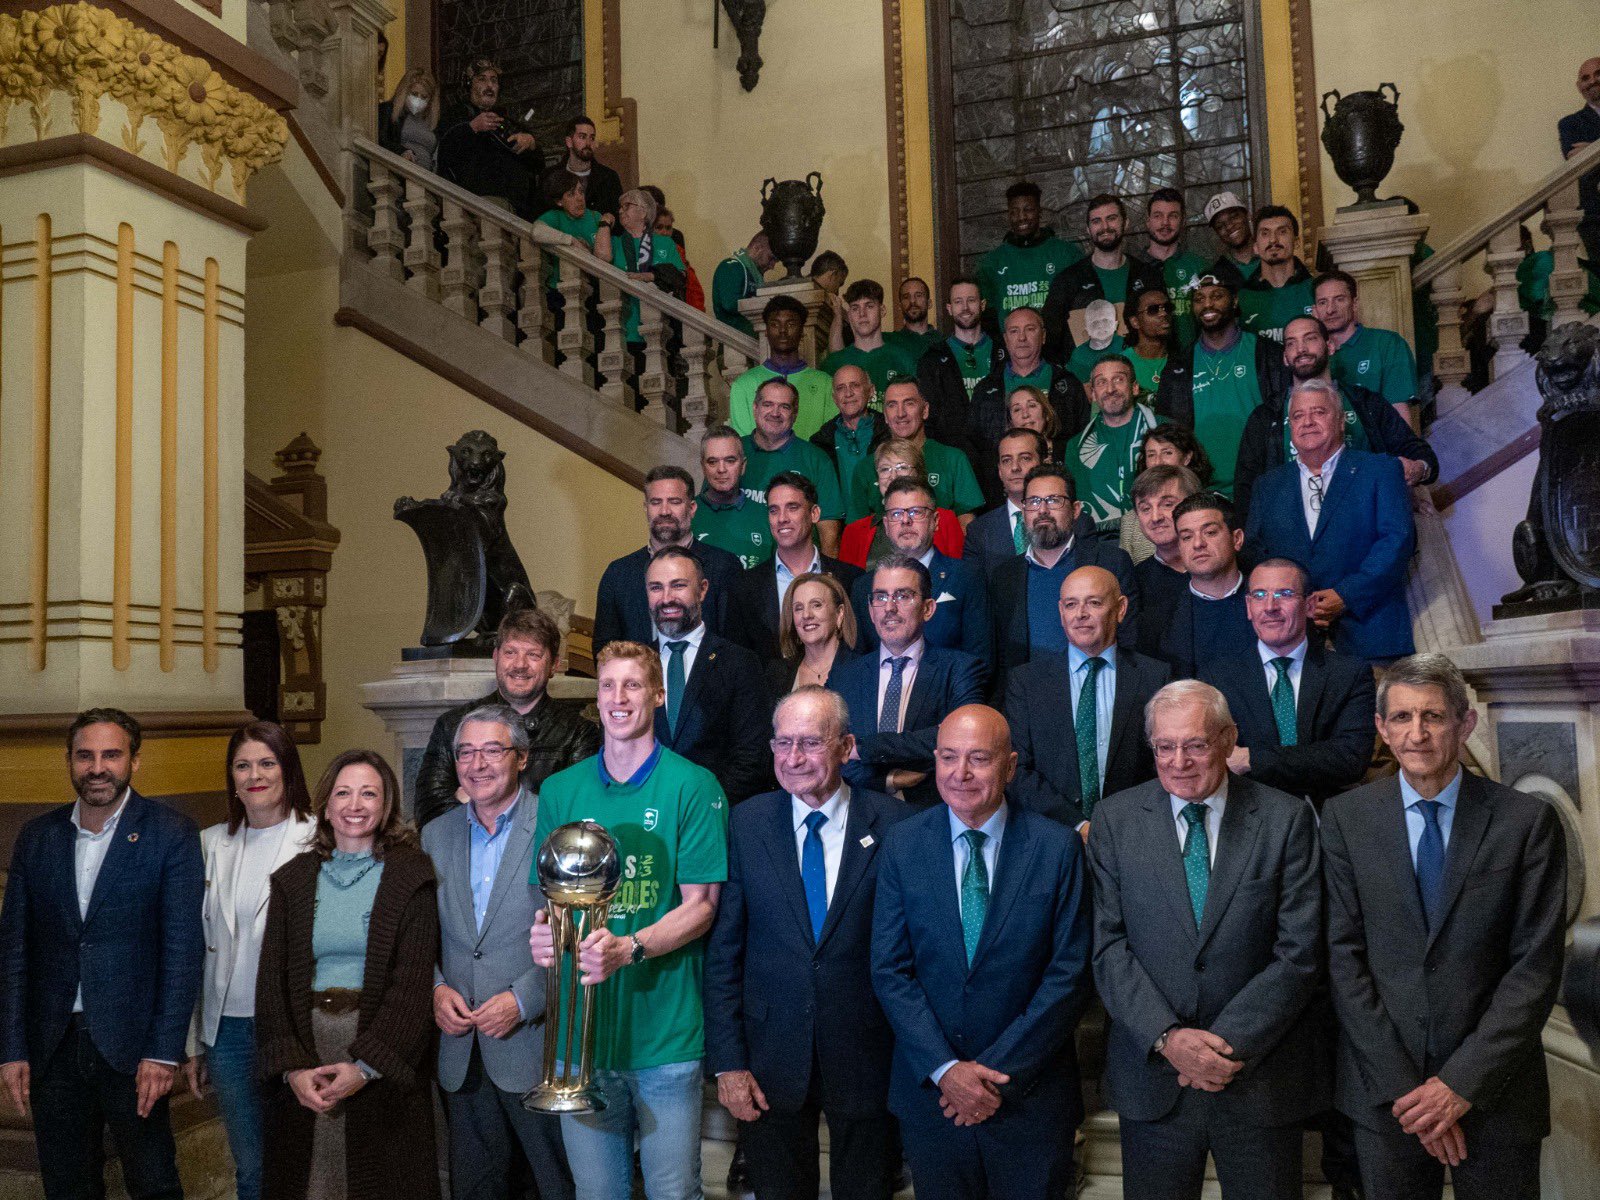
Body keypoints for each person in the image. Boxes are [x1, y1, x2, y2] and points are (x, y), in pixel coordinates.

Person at [1323, 654, 1568, 1200]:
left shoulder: (1526, 822)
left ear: (1465, 723)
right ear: (1382, 728)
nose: (1417, 733)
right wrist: (1409, 1091)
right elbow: (1343, 958)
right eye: (1402, 717)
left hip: (1496, 1089)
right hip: (1387, 1095)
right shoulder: (1345, 819)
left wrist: (1459, 1085)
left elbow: (1534, 967)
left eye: (1433, 716)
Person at [1089, 680, 1324, 1199]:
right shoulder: (1115, 820)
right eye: (1164, 747)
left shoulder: (1286, 819)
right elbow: (1107, 948)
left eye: (1195, 744)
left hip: (1257, 1078)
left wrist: (1222, 1047)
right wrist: (1170, 1039)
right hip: (1155, 1081)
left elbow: (1299, 953)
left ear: (1228, 739)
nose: (1179, 762)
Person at [529, 641, 728, 1200]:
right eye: (608, 686)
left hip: (664, 1037)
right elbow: (549, 902)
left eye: (632, 685)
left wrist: (628, 948)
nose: (618, 698)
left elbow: (701, 907)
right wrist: (543, 937)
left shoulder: (694, 785)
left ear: (658, 696)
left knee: (673, 1193)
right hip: (580, 1041)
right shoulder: (560, 790)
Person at [871, 704, 1093, 1199]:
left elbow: (1070, 974)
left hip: (1030, 1099)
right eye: (948, 757)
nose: (961, 773)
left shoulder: (1057, 848)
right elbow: (889, 969)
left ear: (1010, 767)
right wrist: (946, 1070)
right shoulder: (902, 844)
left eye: (979, 758)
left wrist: (993, 1077)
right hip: (933, 1098)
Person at [704, 688, 907, 1200]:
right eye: (783, 742)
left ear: (846, 747)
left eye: (811, 743)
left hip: (868, 1055)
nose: (793, 758)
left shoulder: (896, 826)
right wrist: (728, 1062)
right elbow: (725, 954)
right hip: (769, 1057)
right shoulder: (746, 822)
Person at [0, 708, 203, 1200]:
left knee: (153, 1183)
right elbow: (13, 953)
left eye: (111, 755)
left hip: (135, 1050)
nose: (97, 768)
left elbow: (182, 951)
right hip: (53, 1046)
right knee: (67, 1186)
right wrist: (11, 1049)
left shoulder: (171, 833)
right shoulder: (37, 837)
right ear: (69, 760)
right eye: (84, 756)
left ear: (135, 760)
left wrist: (163, 1051)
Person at [256, 750, 441, 1199]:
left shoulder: (412, 876)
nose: (354, 805)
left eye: (368, 794)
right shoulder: (292, 879)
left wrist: (367, 1067)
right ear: (325, 805)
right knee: (311, 1181)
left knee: (382, 1183)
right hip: (309, 1053)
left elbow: (413, 983)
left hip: (382, 1054)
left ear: (386, 806)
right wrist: (293, 1069)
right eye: (343, 793)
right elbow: (271, 984)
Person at [423, 705, 574, 1200]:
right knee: (474, 1188)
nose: (477, 764)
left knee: (554, 1185)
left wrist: (524, 1000)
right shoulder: (435, 835)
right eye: (466, 752)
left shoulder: (558, 828)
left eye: (492, 750)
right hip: (461, 1045)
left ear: (522, 757)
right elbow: (419, 934)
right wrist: (436, 987)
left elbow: (577, 934)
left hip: (536, 1043)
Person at [186, 722, 317, 1200]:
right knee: (252, 1167)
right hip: (228, 1033)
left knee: (306, 1161)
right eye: (242, 765)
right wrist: (194, 1042)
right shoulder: (209, 843)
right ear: (231, 777)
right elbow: (194, 948)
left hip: (298, 1026)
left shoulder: (319, 837)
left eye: (267, 763)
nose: (254, 775)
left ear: (288, 770)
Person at [1245, 380, 1417, 664]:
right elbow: (1256, 551)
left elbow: (1397, 541)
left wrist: (1346, 596)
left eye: (1318, 412)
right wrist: (1298, 602)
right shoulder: (1268, 485)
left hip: (1371, 635)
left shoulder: (1380, 470)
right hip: (1294, 640)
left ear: (1340, 421)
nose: (1307, 422)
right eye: (1298, 416)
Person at [1200, 559, 1376, 809]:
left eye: (1284, 594)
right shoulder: (1217, 677)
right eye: (1259, 595)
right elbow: (1214, 759)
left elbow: (1350, 759)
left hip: (1327, 814)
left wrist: (1252, 759)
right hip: (1249, 814)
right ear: (1249, 607)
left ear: (1309, 605)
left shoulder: (1349, 674)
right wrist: (1310, 758)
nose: (1270, 607)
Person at [1006, 566, 1169, 832]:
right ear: (1061, 612)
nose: (1081, 614)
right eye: (1071, 604)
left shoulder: (1155, 677)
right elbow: (1016, 769)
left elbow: (1163, 762)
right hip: (1051, 832)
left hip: (1133, 831)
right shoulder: (1026, 682)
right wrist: (1078, 825)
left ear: (1120, 608)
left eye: (1094, 603)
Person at [1234, 314, 1436, 523]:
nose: (1301, 349)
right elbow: (1245, 488)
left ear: (1330, 346)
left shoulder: (1366, 404)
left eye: (1310, 338)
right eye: (1291, 343)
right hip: (1289, 529)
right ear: (1285, 357)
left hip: (1364, 524)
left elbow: (1419, 453)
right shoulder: (1266, 416)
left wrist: (1418, 469)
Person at [416, 607, 602, 827]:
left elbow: (577, 815)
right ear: (496, 657)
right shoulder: (452, 724)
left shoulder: (579, 733)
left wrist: (479, 805)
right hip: (467, 848)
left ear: (554, 665)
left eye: (533, 655)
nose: (520, 664)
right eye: (510, 652)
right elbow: (430, 812)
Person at [835, 555, 987, 808]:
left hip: (929, 812)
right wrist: (888, 780)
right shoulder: (844, 676)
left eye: (903, 596)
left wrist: (864, 748)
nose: (889, 607)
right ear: (870, 611)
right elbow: (830, 752)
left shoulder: (960, 669)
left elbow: (959, 741)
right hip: (858, 813)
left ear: (928, 609)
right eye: (880, 597)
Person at [990, 465, 1138, 686]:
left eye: (1053, 500)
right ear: (1024, 511)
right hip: (1029, 694)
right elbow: (1002, 655)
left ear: (1075, 510)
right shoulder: (1004, 575)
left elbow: (1129, 637)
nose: (1042, 510)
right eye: (1033, 501)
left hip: (1097, 687)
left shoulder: (1111, 562)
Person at [646, 547, 773, 803]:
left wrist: (704, 807)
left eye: (678, 585)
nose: (667, 598)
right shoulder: (634, 664)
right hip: (645, 812)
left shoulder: (739, 663)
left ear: (702, 589)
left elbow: (751, 756)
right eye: (656, 587)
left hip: (715, 811)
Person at [1153, 274, 1289, 497]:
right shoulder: (1179, 366)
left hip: (1263, 484)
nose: (1207, 304)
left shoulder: (1267, 353)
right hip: (1201, 491)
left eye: (1217, 296)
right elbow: (1169, 434)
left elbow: (1287, 418)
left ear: (1234, 301)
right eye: (1199, 299)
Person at [594, 464, 743, 651]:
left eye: (674, 502)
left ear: (692, 508)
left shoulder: (725, 567)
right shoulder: (618, 574)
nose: (664, 511)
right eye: (656, 502)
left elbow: (737, 647)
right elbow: (604, 652)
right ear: (646, 508)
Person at [850, 478, 991, 665]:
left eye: (916, 512)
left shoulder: (966, 577)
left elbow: (980, 659)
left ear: (935, 521)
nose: (905, 521)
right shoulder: (863, 587)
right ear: (886, 525)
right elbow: (859, 662)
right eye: (896, 514)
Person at [729, 471, 863, 661]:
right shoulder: (744, 586)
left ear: (814, 513)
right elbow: (739, 659)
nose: (782, 518)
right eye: (774, 510)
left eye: (792, 508)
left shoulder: (851, 579)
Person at [966, 306, 1089, 507]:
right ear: (1005, 339)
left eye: (1030, 329)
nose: (1022, 338)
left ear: (1043, 336)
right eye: (1014, 331)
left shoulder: (1068, 383)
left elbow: (1082, 439)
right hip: (998, 498)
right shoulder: (985, 389)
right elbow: (975, 445)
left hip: (1059, 493)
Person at [1043, 193, 1164, 361]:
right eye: (1096, 221)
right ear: (1088, 229)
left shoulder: (1148, 276)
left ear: (1125, 223)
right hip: (1084, 375)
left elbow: (1163, 330)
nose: (1104, 227)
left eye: (1111, 218)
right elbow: (1050, 341)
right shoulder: (1067, 281)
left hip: (1141, 373)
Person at [844, 379, 983, 525]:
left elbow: (967, 525)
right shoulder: (866, 467)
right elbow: (857, 530)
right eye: (892, 405)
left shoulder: (953, 459)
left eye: (909, 403)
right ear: (885, 415)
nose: (900, 413)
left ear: (925, 410)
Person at [741, 378, 845, 554]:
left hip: (798, 566)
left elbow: (830, 533)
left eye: (784, 407)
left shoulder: (816, 459)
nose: (775, 413)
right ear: (755, 408)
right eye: (768, 404)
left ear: (795, 413)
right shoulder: (733, 452)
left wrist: (827, 569)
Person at [1158, 491, 1255, 678]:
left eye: (1210, 533)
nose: (1198, 544)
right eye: (1187, 537)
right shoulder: (1161, 618)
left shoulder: (1268, 602)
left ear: (1237, 539)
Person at [1065, 355, 1160, 534]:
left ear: (1134, 387)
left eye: (1118, 379)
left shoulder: (1165, 431)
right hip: (1100, 540)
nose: (1110, 389)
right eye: (1101, 382)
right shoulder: (1075, 446)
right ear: (1093, 394)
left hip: (1156, 534)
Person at [837, 440, 967, 569]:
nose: (893, 476)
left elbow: (958, 572)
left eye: (902, 467)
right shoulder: (854, 532)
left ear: (919, 474)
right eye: (885, 469)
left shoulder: (945, 520)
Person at [437, 59, 542, 216]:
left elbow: (538, 164)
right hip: (477, 204)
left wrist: (531, 143)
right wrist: (472, 128)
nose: (489, 85)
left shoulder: (508, 122)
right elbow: (444, 153)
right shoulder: (455, 116)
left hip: (518, 209)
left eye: (494, 80)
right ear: (468, 84)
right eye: (482, 79)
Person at [1313, 270, 1421, 417]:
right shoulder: (1309, 354)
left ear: (1354, 304)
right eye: (1323, 302)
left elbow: (1399, 414)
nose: (1330, 309)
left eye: (1339, 299)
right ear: (1315, 311)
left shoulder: (1387, 344)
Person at [727, 296, 838, 439]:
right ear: (766, 331)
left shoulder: (826, 383)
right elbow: (744, 443)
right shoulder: (743, 384)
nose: (783, 330)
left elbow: (830, 440)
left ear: (802, 331)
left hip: (811, 454)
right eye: (775, 324)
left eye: (791, 324)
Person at [975, 180, 1085, 324]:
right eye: (1014, 212)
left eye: (1028, 210)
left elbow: (1082, 306)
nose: (1021, 217)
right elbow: (986, 316)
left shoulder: (1067, 254)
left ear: (1040, 212)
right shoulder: (991, 263)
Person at [1129, 465, 1203, 659]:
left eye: (1167, 504)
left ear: (1194, 505)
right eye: (1145, 508)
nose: (1155, 517)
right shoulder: (1134, 581)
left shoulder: (1225, 568)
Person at [916, 276, 994, 450]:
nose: (965, 307)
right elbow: (928, 419)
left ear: (982, 305)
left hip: (998, 451)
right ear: (949, 309)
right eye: (958, 302)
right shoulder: (932, 359)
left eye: (971, 300)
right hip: (952, 453)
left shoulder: (1002, 352)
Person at [962, 427, 1048, 580]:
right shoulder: (978, 531)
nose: (1015, 468)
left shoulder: (1074, 522)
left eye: (1025, 458)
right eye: (1006, 460)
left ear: (1044, 463)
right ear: (1000, 471)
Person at [610, 189, 688, 351]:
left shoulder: (665, 243)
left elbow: (680, 277)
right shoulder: (615, 242)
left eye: (626, 206)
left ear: (643, 212)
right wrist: (604, 224)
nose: (620, 211)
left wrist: (652, 276)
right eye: (620, 207)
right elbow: (601, 256)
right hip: (625, 328)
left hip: (661, 327)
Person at [767, 572, 861, 698]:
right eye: (798, 608)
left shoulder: (862, 669)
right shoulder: (777, 674)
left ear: (839, 613)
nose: (806, 615)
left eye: (816, 605)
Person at [692, 425, 772, 568]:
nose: (721, 469)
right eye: (712, 462)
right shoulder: (687, 515)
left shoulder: (766, 516)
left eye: (730, 460)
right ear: (703, 467)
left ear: (743, 466)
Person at [822, 281, 919, 395]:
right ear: (849, 315)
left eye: (869, 306)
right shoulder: (833, 363)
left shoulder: (903, 359)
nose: (862, 314)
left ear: (882, 311)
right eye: (855, 308)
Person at [1237, 205, 1316, 344]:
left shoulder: (1316, 290)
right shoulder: (1241, 298)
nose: (1273, 240)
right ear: (1255, 247)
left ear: (1296, 242)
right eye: (1265, 233)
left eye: (1282, 232)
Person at [1143, 188, 1210, 347]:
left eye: (1173, 216)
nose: (1165, 223)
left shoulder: (1200, 266)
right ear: (1148, 221)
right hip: (1148, 359)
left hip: (1194, 357)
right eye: (1158, 216)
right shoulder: (1134, 267)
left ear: (1183, 221)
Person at [810, 364, 879, 500]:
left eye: (855, 385)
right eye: (840, 388)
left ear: (871, 391)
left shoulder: (889, 434)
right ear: (834, 398)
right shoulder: (820, 443)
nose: (848, 393)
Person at [535, 172, 613, 289]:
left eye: (581, 192)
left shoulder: (595, 216)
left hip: (592, 286)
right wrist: (572, 240)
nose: (580, 198)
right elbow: (536, 232)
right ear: (559, 201)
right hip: (561, 287)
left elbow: (605, 257)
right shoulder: (555, 216)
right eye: (571, 194)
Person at [538, 115, 621, 220]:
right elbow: (539, 215)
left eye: (592, 138)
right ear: (569, 142)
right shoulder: (548, 176)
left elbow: (618, 216)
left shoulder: (609, 177)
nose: (588, 143)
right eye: (582, 137)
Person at [1559, 57, 1600, 266]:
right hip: (1596, 217)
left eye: (1598, 74)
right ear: (1579, 86)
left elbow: (1589, 158)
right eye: (1585, 78)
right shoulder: (1570, 124)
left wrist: (1592, 148)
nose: (1592, 81)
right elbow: (1580, 165)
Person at [712, 231, 776, 335]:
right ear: (756, 248)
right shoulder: (730, 266)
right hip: (736, 338)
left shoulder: (755, 274)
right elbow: (730, 304)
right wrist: (767, 304)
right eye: (771, 258)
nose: (772, 266)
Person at [378, 67, 439, 171]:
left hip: (427, 176)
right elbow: (381, 139)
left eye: (424, 97)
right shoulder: (388, 111)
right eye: (414, 94)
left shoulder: (431, 121)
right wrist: (402, 151)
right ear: (404, 91)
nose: (418, 100)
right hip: (401, 173)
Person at [1124, 283, 1175, 398]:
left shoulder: (1183, 361)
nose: (1163, 313)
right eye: (1153, 310)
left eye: (1167, 308)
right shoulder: (1121, 363)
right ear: (1135, 322)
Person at [1202, 191, 1258, 285]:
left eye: (1233, 217)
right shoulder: (1216, 275)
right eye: (1220, 226)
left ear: (1248, 215)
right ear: (1217, 233)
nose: (1229, 227)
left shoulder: (1271, 256)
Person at [884, 276, 943, 363]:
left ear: (929, 303)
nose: (912, 301)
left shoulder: (943, 342)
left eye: (918, 295)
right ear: (900, 306)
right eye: (906, 297)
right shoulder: (891, 343)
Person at [1141, 422, 1215, 487]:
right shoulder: (1140, 495)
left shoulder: (1204, 497)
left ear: (1186, 458)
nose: (1158, 462)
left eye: (1167, 453)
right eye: (1151, 455)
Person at [1004, 384, 1061, 450]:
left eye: (1031, 405)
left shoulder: (1067, 451)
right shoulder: (1002, 453)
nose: (1025, 415)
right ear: (1010, 421)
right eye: (1017, 409)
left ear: (1046, 413)